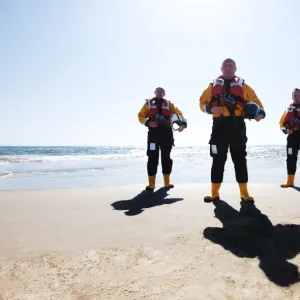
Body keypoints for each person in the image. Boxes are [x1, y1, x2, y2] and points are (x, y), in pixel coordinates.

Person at [199, 58, 266, 202]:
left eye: (231, 66)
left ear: (236, 68)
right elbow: (201, 103)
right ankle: (214, 193)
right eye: (225, 66)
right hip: (218, 127)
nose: (228, 68)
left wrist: (260, 114)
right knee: (217, 160)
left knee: (240, 160)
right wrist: (210, 109)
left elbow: (259, 105)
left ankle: (244, 194)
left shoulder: (245, 87)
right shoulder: (212, 87)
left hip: (237, 127)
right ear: (221, 68)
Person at [138, 87, 187, 190]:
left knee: (166, 158)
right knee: (152, 157)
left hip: (167, 134)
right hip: (153, 135)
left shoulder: (169, 104)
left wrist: (183, 124)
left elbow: (179, 114)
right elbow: (140, 116)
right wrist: (148, 123)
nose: (159, 93)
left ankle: (167, 183)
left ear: (164, 94)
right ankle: (151, 184)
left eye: (161, 91)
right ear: (155, 92)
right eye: (158, 91)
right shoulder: (148, 104)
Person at [279, 88, 300, 188]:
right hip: (292, 139)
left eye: (298, 95)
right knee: (291, 158)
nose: (296, 97)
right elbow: (281, 124)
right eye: (295, 95)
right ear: (292, 96)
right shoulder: (288, 109)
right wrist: (286, 131)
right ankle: (290, 182)